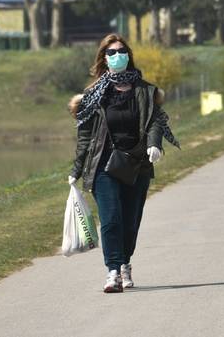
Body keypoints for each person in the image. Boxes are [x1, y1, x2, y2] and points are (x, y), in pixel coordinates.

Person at [68, 33, 178, 293]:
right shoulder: (93, 96)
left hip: (137, 164)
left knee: (130, 221)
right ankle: (113, 271)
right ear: (104, 59)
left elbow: (155, 122)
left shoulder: (145, 91)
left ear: (128, 55)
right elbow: (85, 137)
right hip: (103, 166)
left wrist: (154, 143)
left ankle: (125, 262)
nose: (118, 56)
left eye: (121, 51)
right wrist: (75, 169)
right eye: (111, 52)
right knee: (111, 219)